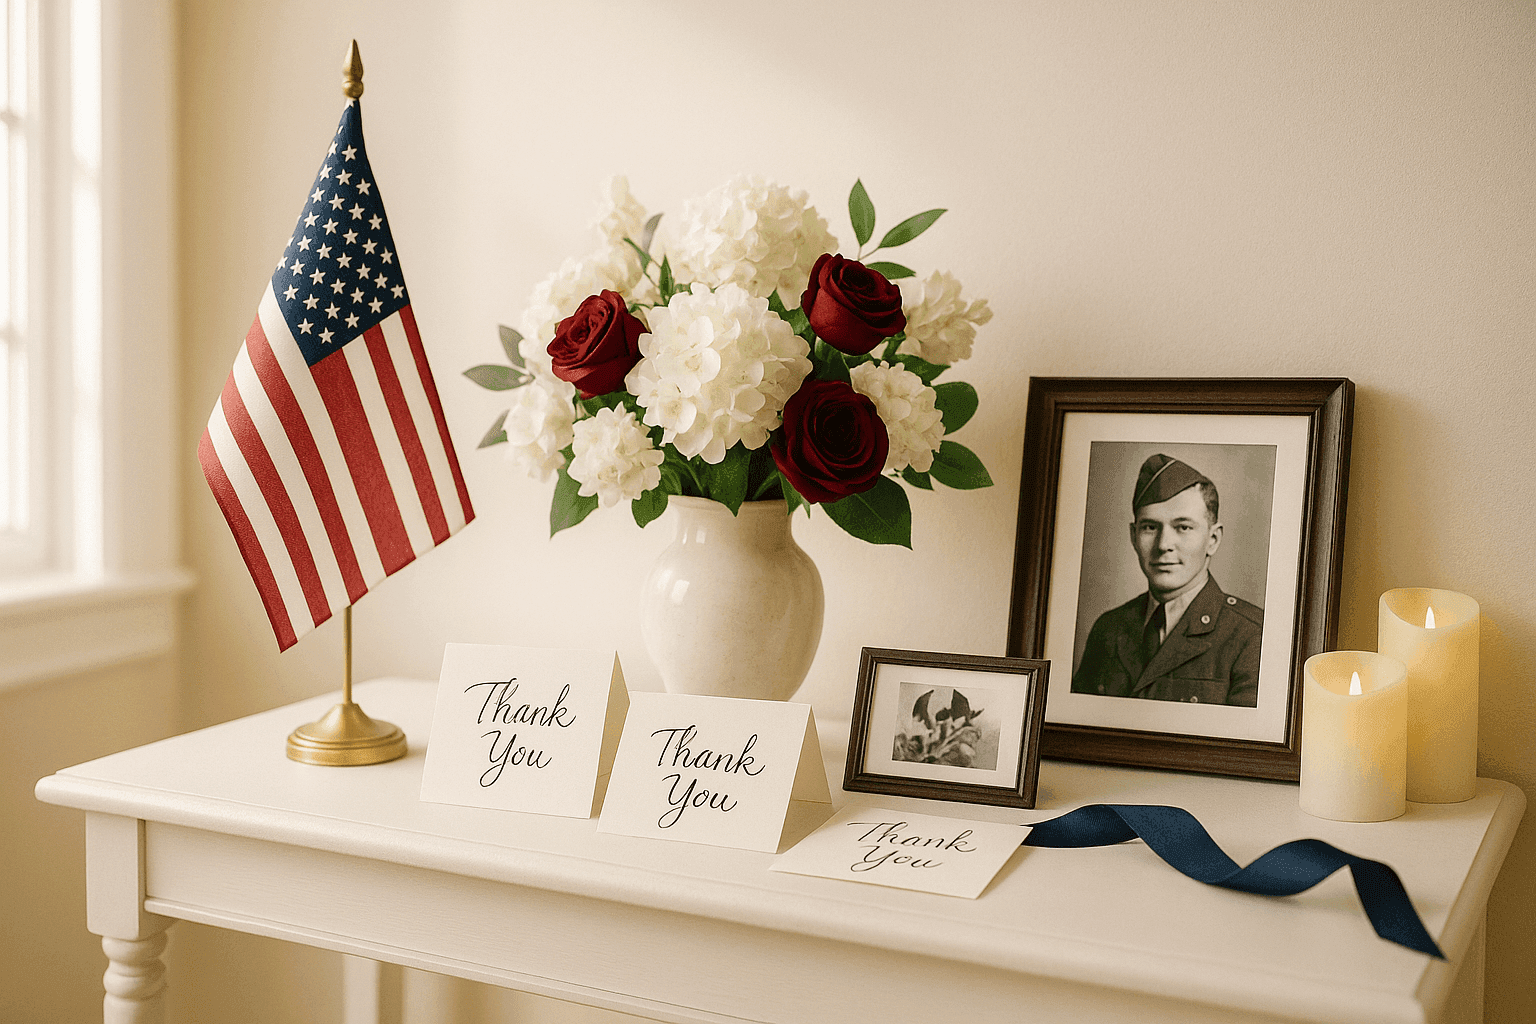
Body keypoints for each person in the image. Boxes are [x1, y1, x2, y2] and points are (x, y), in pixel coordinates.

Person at [1070, 453, 1263, 707]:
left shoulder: (1251, 636)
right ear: (1133, 536)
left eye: (1183, 527)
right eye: (1150, 527)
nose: (1163, 545)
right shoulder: (1108, 629)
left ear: (1213, 539)